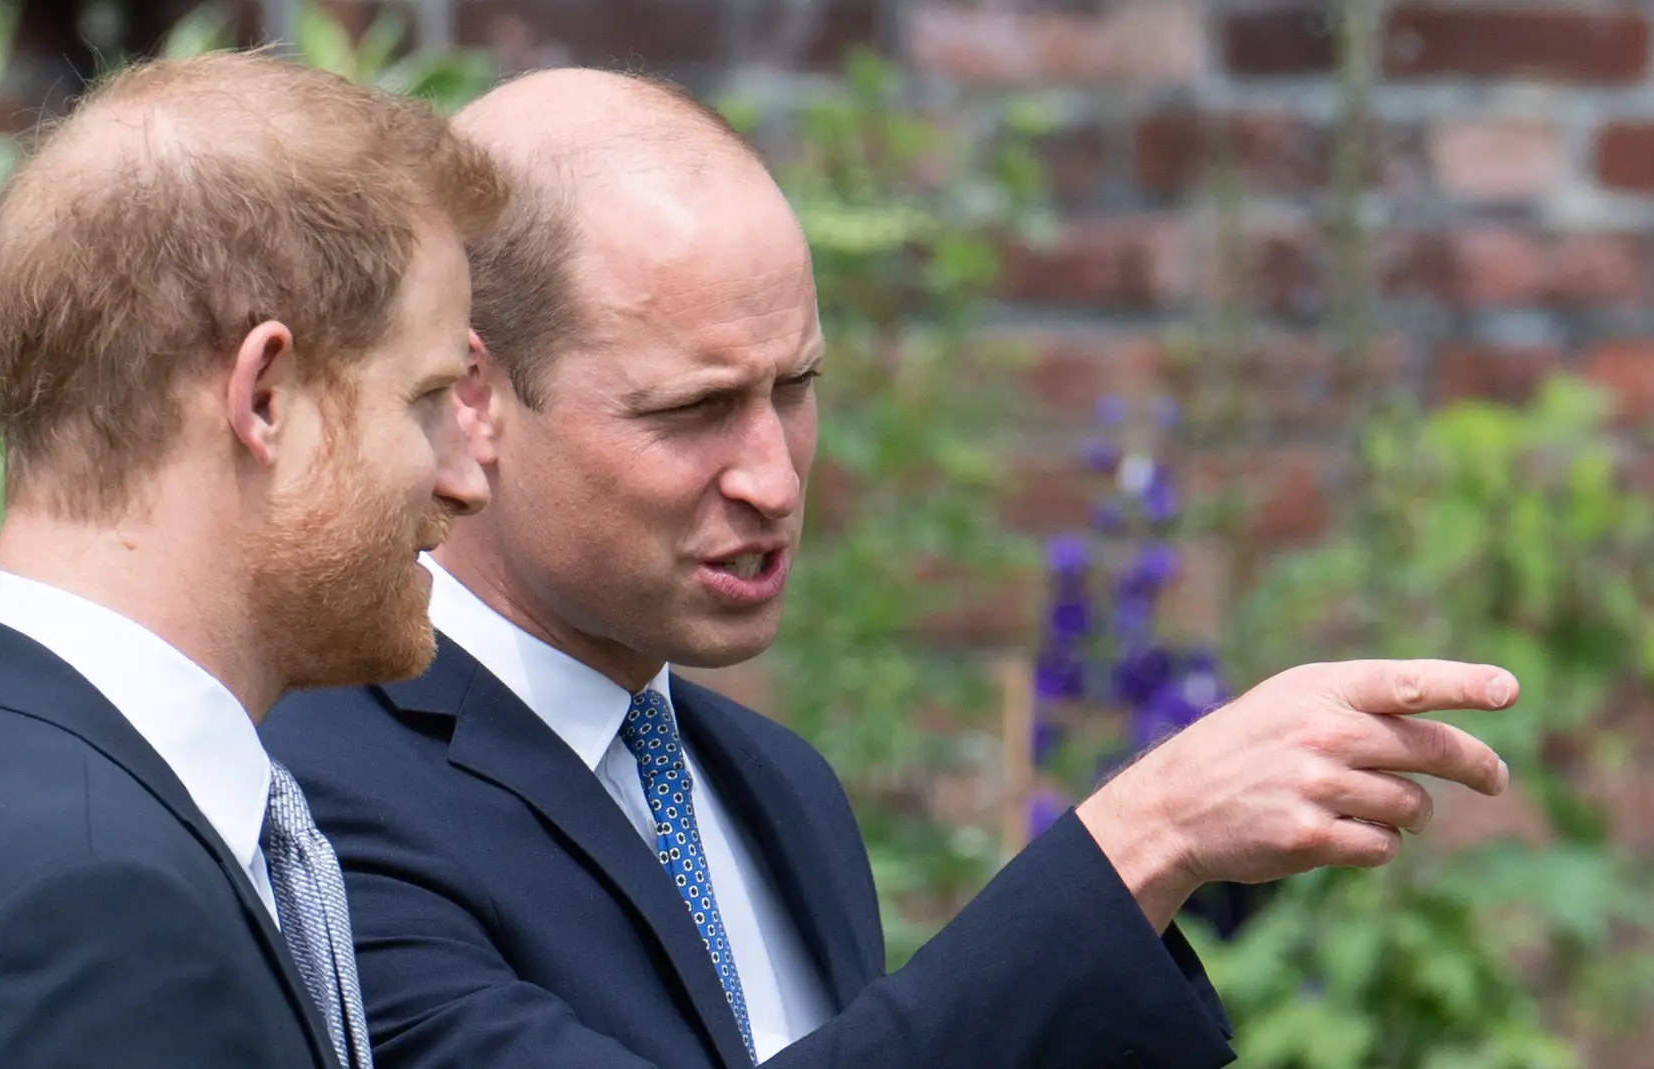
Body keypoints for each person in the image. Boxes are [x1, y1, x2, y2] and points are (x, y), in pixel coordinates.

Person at [259, 68, 1518, 1069]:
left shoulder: (772, 787)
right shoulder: (319, 790)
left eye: (793, 388)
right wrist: (1143, 837)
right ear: (472, 398)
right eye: (692, 410)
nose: (771, 473)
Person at [0, 51, 505, 1069]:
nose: (463, 479)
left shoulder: (1, 772)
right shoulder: (86, 902)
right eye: (427, 400)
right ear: (265, 396)